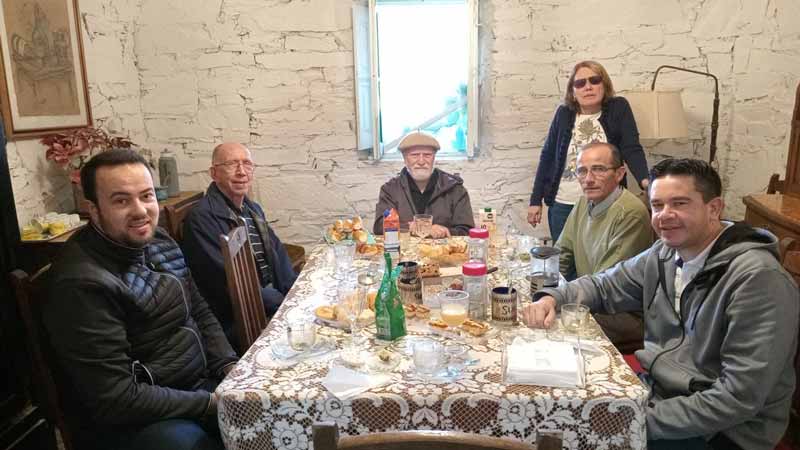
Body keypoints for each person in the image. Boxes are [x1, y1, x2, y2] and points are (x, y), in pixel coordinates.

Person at [522, 158, 799, 450]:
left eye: (679, 203)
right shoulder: (665, 252)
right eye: (657, 205)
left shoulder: (758, 279)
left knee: (571, 435)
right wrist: (552, 297)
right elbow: (605, 285)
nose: (665, 215)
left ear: (714, 208)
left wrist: (630, 420)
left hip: (723, 432)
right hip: (659, 392)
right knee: (554, 406)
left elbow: (737, 398)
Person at [43, 149, 238, 450]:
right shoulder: (81, 283)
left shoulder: (159, 238)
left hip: (194, 386)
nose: (140, 211)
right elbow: (117, 398)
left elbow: (198, 309)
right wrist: (212, 403)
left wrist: (229, 366)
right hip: (137, 417)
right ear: (93, 209)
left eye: (146, 196)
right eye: (121, 201)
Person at [182, 142, 297, 348]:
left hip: (269, 301)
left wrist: (295, 292)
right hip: (240, 318)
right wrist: (284, 304)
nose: (241, 172)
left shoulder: (252, 209)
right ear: (214, 173)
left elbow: (277, 252)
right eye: (231, 164)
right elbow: (227, 280)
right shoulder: (201, 218)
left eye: (247, 164)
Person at [527, 60, 650, 242]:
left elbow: (631, 148)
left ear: (604, 85)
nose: (588, 87)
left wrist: (646, 182)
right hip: (564, 204)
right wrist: (535, 200)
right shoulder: (563, 114)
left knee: (604, 255)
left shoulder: (618, 108)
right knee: (564, 256)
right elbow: (547, 156)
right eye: (580, 83)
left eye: (595, 80)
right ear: (573, 91)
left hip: (607, 203)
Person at [557, 142, 652, 353]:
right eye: (582, 171)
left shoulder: (631, 213)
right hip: (591, 299)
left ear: (619, 174)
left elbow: (607, 283)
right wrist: (546, 288)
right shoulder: (583, 203)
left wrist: (564, 302)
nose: (588, 179)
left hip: (621, 314)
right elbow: (562, 254)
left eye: (598, 169)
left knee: (555, 332)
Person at [373, 131, 475, 237]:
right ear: (405, 159)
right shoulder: (390, 190)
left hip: (444, 247)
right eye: (414, 155)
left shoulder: (455, 189)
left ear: (434, 157)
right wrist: (410, 227)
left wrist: (445, 231)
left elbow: (467, 230)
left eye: (427, 155)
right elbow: (379, 227)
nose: (421, 161)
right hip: (404, 247)